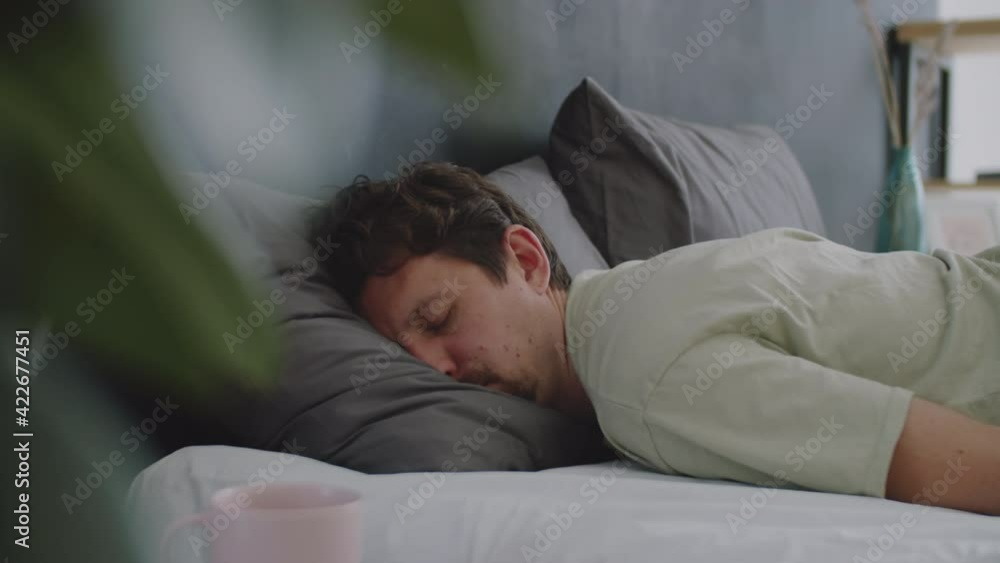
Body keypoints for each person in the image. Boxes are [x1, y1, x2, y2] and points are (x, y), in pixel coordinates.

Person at [310, 161, 1000, 515]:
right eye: (409, 354)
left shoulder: (639, 372)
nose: (436, 367)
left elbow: (927, 457)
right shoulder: (641, 300)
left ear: (525, 259)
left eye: (439, 318)